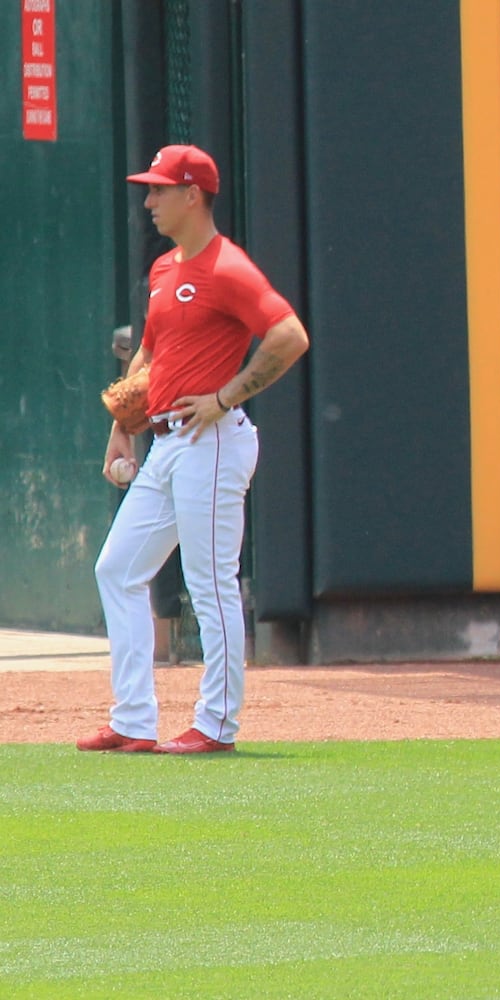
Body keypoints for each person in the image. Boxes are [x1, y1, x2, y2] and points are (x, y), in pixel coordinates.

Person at [80, 144, 310, 754]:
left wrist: (228, 395)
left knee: (209, 584)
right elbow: (151, 355)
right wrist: (121, 422)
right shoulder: (164, 269)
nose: (149, 200)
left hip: (212, 443)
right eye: (148, 189)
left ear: (193, 195)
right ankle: (133, 719)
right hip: (164, 443)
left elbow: (289, 334)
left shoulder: (227, 267)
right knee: (118, 570)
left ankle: (217, 725)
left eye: (159, 189)